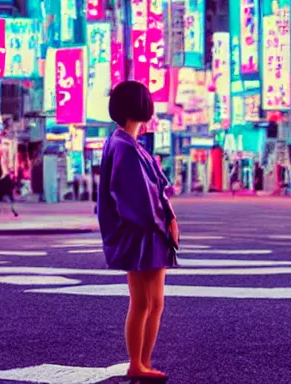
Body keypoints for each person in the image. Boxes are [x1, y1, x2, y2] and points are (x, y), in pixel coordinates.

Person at [98, 81, 178, 382]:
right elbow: (138, 198)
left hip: (149, 232)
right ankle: (136, 363)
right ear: (140, 107)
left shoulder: (127, 143)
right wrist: (164, 221)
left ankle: (143, 362)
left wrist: (168, 218)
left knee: (154, 302)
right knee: (143, 301)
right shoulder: (124, 146)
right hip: (141, 233)